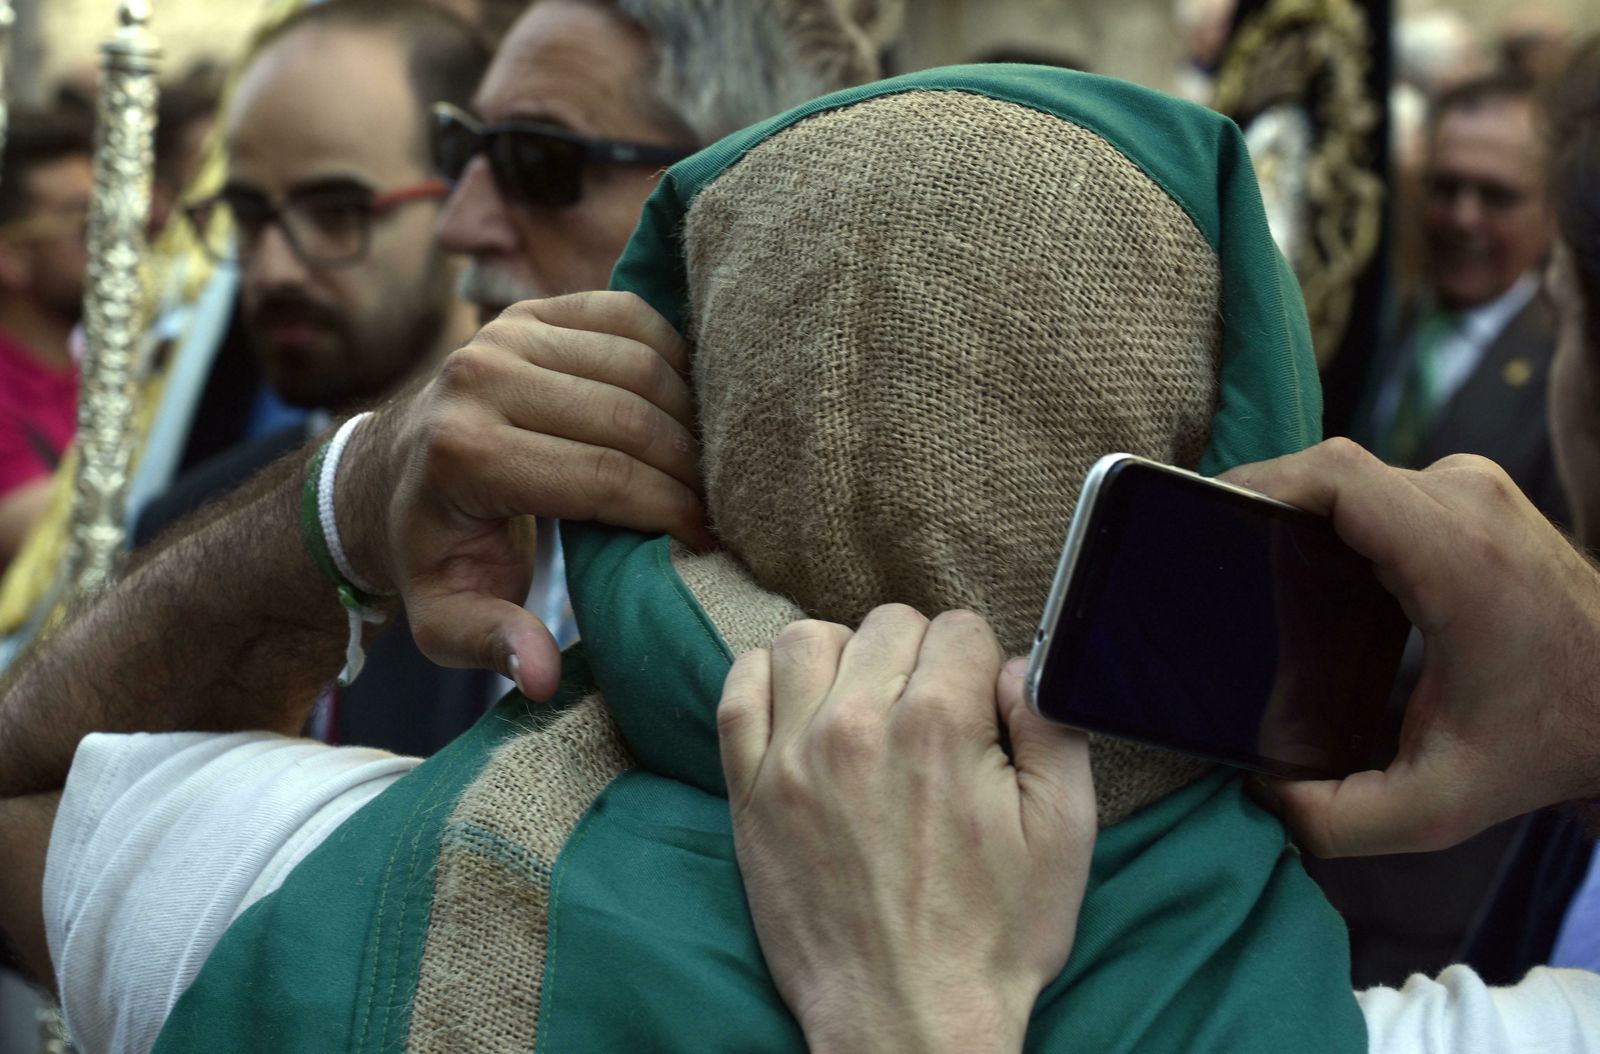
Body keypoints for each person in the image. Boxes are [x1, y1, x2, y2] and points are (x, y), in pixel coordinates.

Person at [2, 65, 1361, 1052]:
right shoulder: (1399, 1019)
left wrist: (335, 514)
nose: (474, 215)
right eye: (460, 146)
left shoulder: (323, 881)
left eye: (534, 156)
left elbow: (26, 789)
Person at [0, 110, 92, 571]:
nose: (114, 243)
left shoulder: (93, 372)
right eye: (84, 223)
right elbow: (41, 537)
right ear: (11, 254)